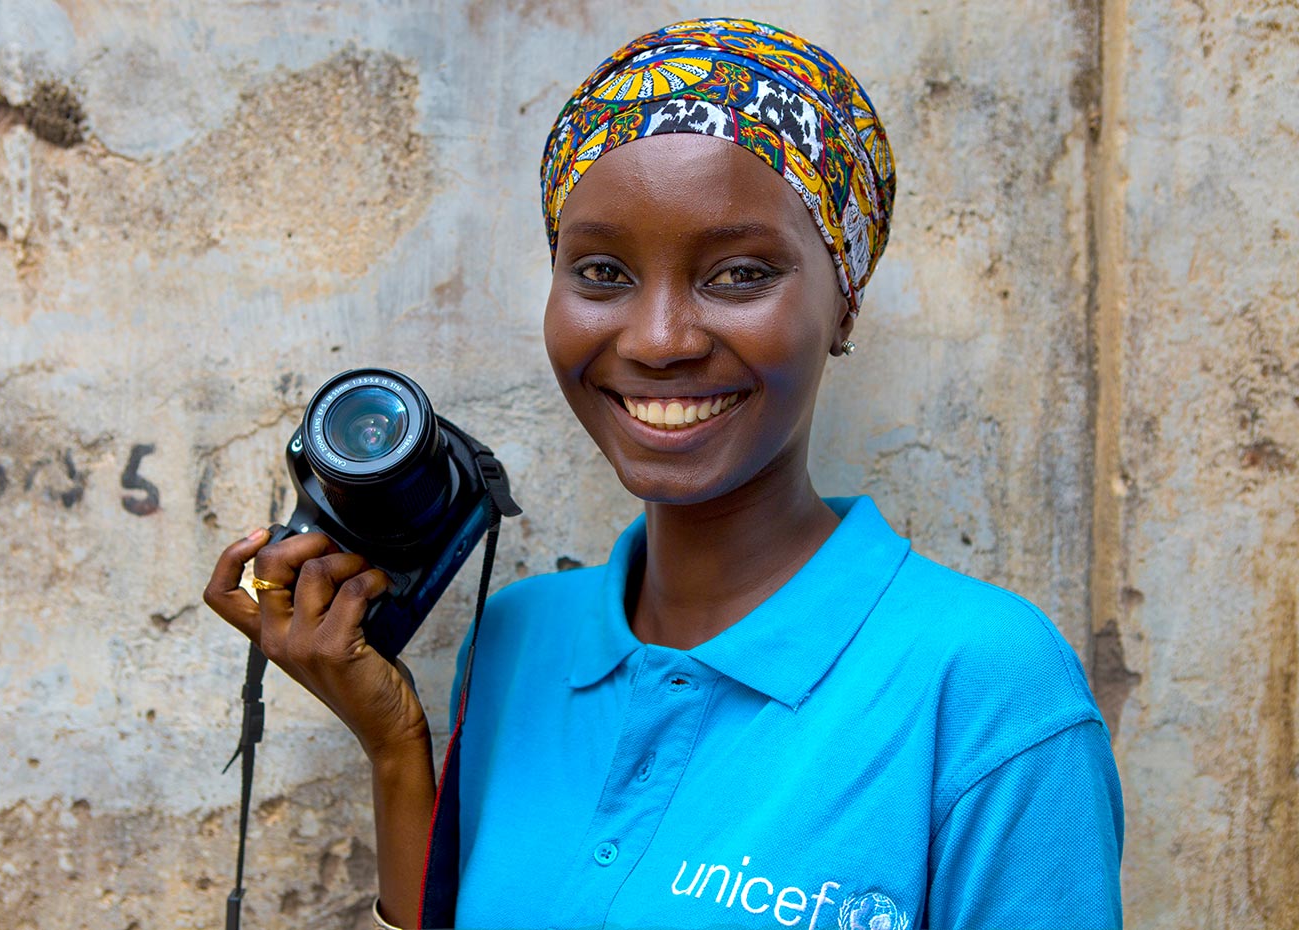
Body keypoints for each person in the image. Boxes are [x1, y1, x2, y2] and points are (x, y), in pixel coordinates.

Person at [204, 18, 1123, 930]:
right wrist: (398, 751)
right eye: (601, 271)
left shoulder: (989, 687)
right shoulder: (519, 641)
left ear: (843, 302)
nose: (658, 341)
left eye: (737, 275)